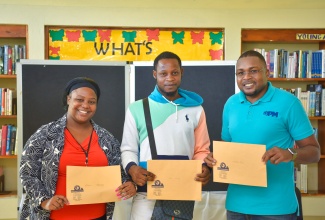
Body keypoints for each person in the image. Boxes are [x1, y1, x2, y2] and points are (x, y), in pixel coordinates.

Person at [204, 50, 321, 220]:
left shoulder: (289, 103)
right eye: (240, 72)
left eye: (253, 71)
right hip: (236, 206)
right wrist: (214, 158)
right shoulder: (231, 104)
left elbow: (314, 153)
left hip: (276, 209)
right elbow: (227, 150)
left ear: (267, 73)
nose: (246, 77)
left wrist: (289, 153)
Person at [19, 77, 137, 220]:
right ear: (68, 99)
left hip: (98, 216)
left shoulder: (107, 139)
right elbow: (27, 172)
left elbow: (120, 173)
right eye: (79, 100)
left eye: (91, 102)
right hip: (55, 217)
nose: (85, 105)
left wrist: (128, 184)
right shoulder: (45, 134)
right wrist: (44, 200)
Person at [120, 51, 211, 219]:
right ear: (155, 74)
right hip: (145, 192)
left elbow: (202, 150)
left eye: (174, 73)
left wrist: (203, 167)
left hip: (182, 191)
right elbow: (128, 148)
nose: (169, 78)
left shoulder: (196, 109)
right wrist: (132, 169)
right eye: (163, 73)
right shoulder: (137, 108)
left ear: (181, 73)